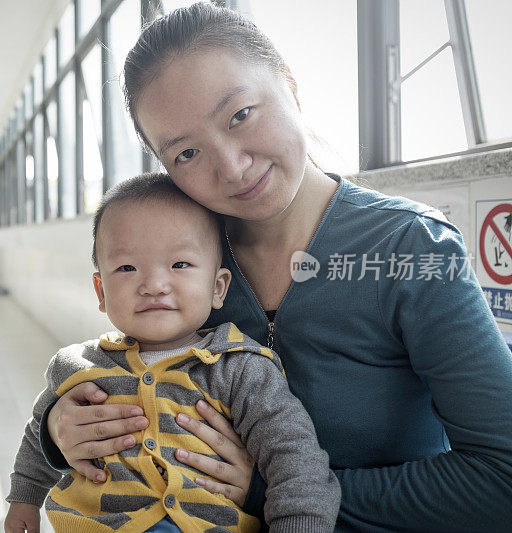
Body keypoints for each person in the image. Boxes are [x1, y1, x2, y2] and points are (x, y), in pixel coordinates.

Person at [40, 3, 512, 532]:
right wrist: (61, 432)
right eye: (187, 154)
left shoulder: (411, 248)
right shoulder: (189, 260)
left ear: (288, 81)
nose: (233, 167)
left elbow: (502, 478)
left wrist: (270, 492)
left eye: (241, 114)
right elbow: (138, 376)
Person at [5, 173, 340, 532]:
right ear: (101, 292)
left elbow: (297, 462)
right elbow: (37, 431)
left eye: (179, 264)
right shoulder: (76, 366)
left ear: (217, 287)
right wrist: (25, 496)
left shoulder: (240, 369)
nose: (154, 285)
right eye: (127, 268)